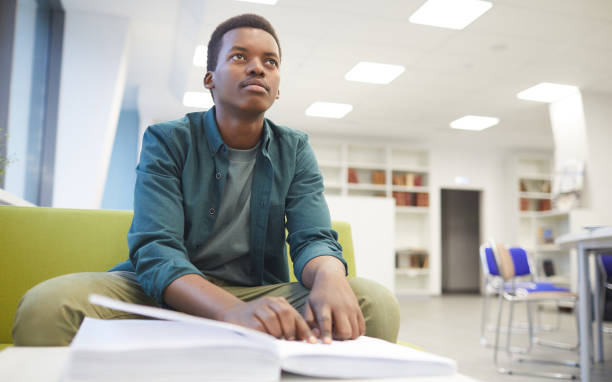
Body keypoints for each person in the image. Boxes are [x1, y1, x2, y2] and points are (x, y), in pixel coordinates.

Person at [12, 14, 400, 346]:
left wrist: (330, 277)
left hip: (258, 292)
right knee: (48, 306)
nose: (257, 68)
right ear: (210, 79)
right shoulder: (168, 139)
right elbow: (156, 250)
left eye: (270, 62)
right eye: (239, 57)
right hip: (167, 291)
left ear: (278, 87)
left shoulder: (295, 149)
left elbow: (311, 236)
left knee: (373, 302)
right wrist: (230, 311)